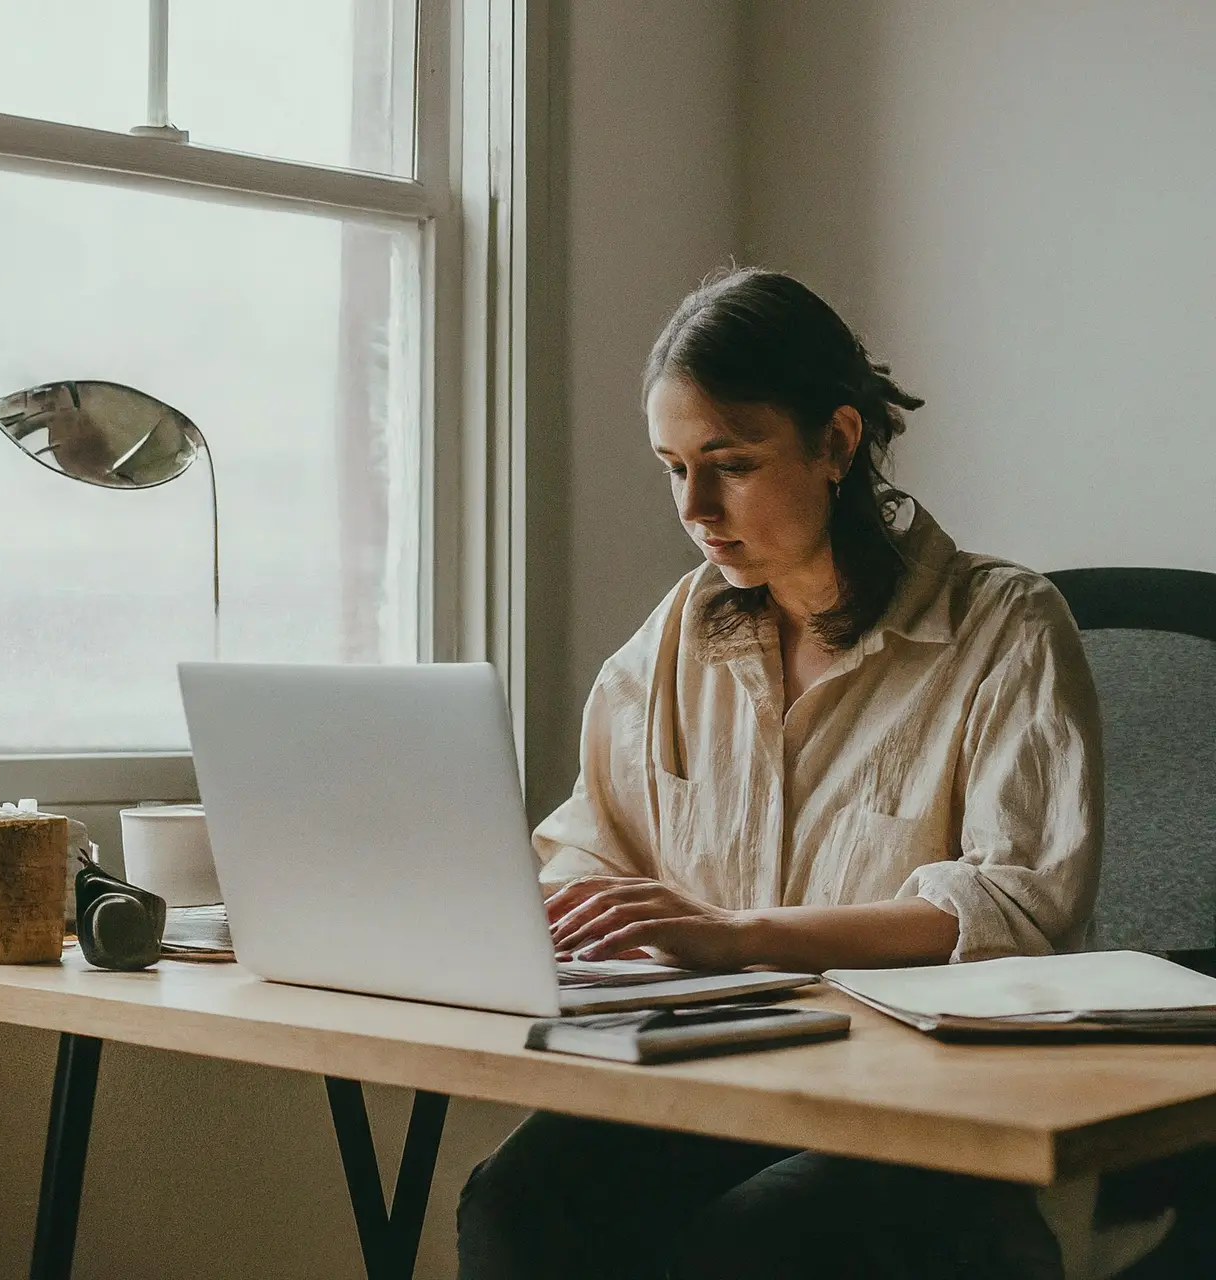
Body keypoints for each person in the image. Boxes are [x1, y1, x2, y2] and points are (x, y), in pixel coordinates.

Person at [457, 268, 1103, 1279]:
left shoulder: (1002, 626)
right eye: (671, 467)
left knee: (748, 1245)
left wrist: (736, 933)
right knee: (515, 1203)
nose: (695, 505)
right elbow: (590, 844)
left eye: (730, 461)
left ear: (837, 441)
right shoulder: (676, 633)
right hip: (719, 1079)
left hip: (931, 1111)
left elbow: (1016, 907)